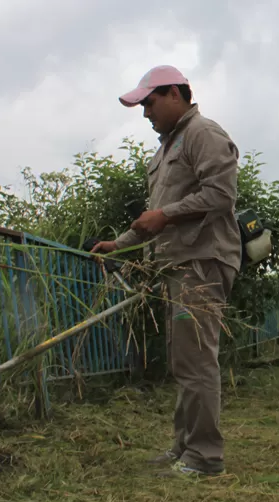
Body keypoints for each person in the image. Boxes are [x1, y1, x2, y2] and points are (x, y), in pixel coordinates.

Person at [90, 65, 242, 475]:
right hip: (178, 264)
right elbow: (154, 218)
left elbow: (221, 195)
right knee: (184, 360)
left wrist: (167, 216)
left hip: (202, 262)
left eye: (150, 103)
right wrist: (119, 245)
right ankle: (184, 446)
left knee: (196, 361)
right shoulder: (165, 149)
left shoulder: (203, 134)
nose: (145, 114)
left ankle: (204, 457)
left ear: (176, 93)